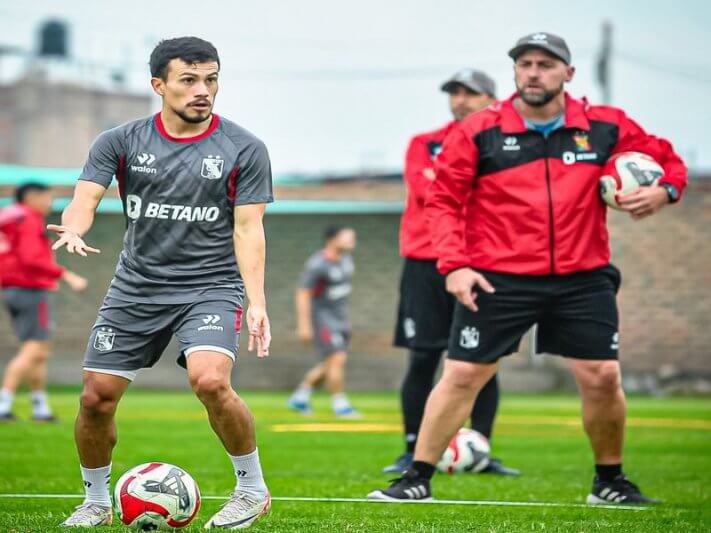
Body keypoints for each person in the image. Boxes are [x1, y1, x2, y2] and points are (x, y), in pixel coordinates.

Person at [369, 32, 686, 504]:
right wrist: (454, 266)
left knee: (601, 375)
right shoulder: (480, 130)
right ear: (514, 73)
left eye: (546, 63)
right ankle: (415, 477)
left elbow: (668, 160)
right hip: (499, 275)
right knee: (461, 375)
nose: (534, 72)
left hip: (582, 275)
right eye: (525, 64)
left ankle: (610, 482)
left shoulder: (605, 126)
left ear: (568, 73)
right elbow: (444, 201)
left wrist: (666, 190)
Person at [52, 37, 274, 528]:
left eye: (211, 80)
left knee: (211, 381)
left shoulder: (244, 148)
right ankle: (94, 501)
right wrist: (72, 226)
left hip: (210, 287)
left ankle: (252, 490)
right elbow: (85, 197)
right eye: (189, 80)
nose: (203, 91)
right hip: (136, 287)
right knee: (95, 398)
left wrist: (256, 302)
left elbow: (248, 228)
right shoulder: (121, 140)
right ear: (159, 85)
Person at [385, 70, 518, 476]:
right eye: (454, 93)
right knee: (423, 358)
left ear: (492, 99)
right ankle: (412, 448)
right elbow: (432, 193)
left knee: (482, 359)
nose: (460, 100)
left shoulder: (507, 145)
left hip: (481, 263)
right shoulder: (425, 144)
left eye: (470, 93)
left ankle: (482, 447)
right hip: (427, 263)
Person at [0, 183, 87, 422]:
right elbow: (31, 258)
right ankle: (4, 403)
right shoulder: (27, 218)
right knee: (34, 349)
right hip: (31, 290)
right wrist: (67, 275)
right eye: (48, 197)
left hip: (12, 288)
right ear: (32, 197)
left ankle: (40, 407)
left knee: (39, 350)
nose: (50, 203)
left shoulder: (8, 217)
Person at [288, 226, 359, 417]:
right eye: (347, 237)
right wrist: (304, 325)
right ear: (332, 239)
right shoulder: (317, 264)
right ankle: (341, 404)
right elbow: (303, 293)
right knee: (337, 358)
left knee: (331, 362)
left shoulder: (346, 261)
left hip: (341, 319)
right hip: (323, 319)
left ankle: (301, 396)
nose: (353, 240)